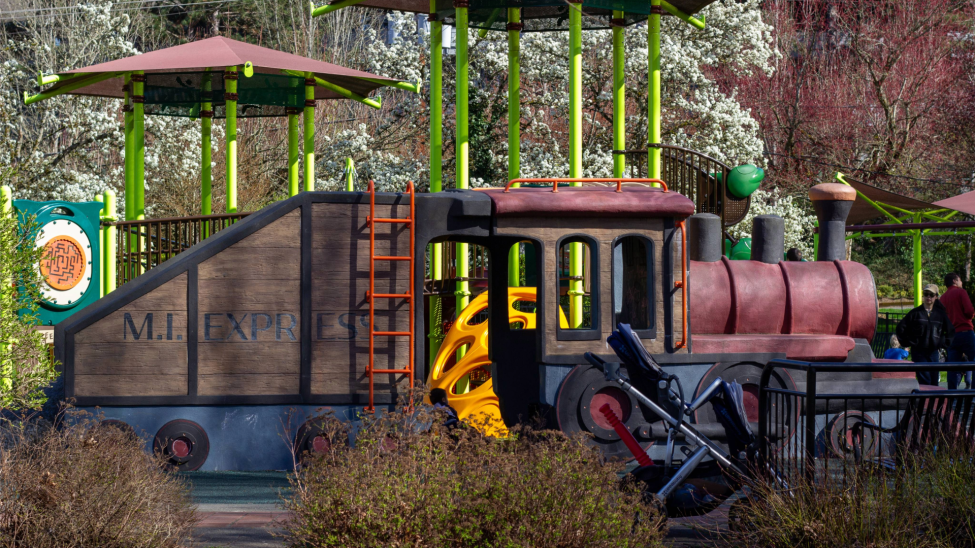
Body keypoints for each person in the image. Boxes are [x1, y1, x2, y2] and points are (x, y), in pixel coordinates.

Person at [896, 284, 954, 387]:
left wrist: (943, 343)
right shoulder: (915, 313)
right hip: (919, 352)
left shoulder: (940, 314)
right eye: (926, 294)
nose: (928, 297)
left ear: (936, 297)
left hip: (934, 352)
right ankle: (925, 397)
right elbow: (900, 328)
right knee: (925, 380)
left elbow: (950, 330)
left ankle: (932, 397)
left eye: (931, 295)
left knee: (934, 381)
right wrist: (909, 342)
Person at [940, 272, 974, 389]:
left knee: (952, 366)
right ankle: (973, 392)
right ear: (955, 281)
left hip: (951, 335)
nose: (961, 282)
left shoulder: (943, 298)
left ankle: (952, 394)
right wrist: (971, 316)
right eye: (960, 280)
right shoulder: (961, 292)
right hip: (965, 332)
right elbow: (969, 311)